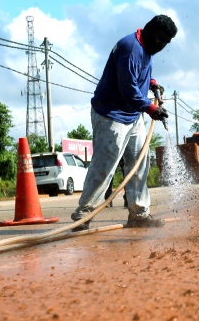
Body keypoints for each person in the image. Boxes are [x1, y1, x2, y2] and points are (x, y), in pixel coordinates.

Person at [70, 15, 177, 230]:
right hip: (112, 115)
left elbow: (140, 74)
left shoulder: (147, 48)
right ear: (148, 30)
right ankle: (84, 215)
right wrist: (151, 108)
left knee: (139, 164)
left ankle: (139, 213)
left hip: (132, 115)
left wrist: (152, 83)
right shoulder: (130, 48)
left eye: (166, 42)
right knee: (105, 166)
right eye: (160, 39)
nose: (161, 45)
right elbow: (128, 89)